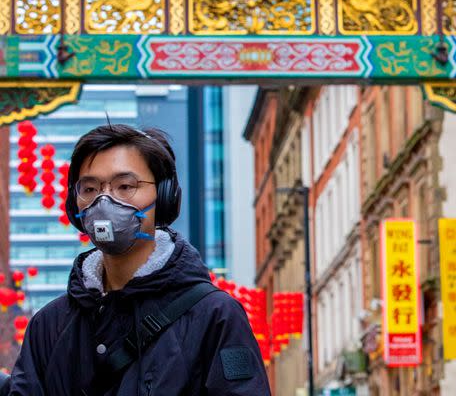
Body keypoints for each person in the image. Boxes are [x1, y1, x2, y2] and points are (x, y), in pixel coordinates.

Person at [9, 124, 271, 395]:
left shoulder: (215, 316)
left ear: (165, 196)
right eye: (89, 188)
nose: (104, 201)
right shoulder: (48, 325)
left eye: (125, 186)